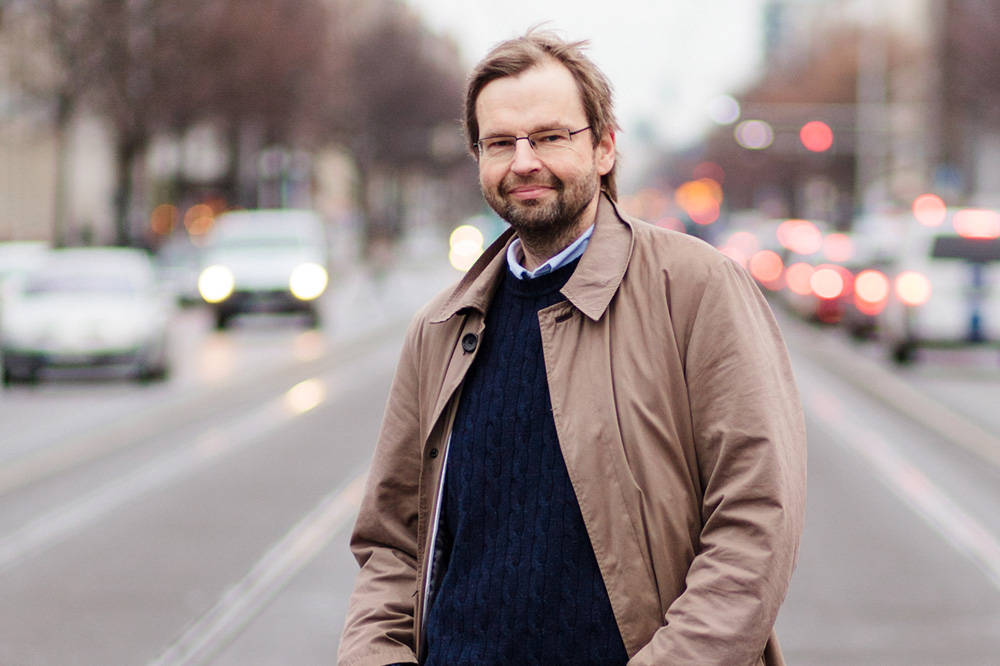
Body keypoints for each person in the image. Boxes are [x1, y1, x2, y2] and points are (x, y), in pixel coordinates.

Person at [338, 29, 807, 666]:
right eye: (500, 143)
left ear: (606, 147)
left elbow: (755, 522)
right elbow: (393, 545)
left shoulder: (697, 289)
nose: (524, 161)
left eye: (551, 136)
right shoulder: (441, 327)